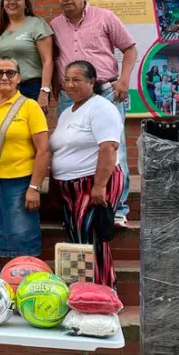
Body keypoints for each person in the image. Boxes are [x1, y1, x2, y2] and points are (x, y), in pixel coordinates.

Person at [50, 0, 136, 226]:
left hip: (106, 91)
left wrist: (124, 79)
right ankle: (74, 205)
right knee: (69, 147)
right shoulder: (55, 25)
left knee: (113, 147)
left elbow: (129, 48)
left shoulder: (105, 17)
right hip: (71, 96)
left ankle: (118, 209)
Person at [50, 61, 125, 288]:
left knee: (93, 241)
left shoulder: (101, 108)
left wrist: (99, 187)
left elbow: (108, 147)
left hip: (94, 184)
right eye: (67, 80)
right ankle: (86, 293)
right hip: (70, 188)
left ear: (92, 82)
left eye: (77, 80)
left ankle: (104, 293)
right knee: (79, 241)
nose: (70, 85)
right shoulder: (67, 112)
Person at [0, 57, 50, 259]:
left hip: (20, 183)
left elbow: (43, 150)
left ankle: (24, 284)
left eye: (10, 73)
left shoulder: (30, 107)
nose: (4, 77)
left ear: (19, 78)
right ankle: (5, 283)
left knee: (22, 239)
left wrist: (34, 188)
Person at [0, 0, 55, 110]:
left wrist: (44, 91)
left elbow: (47, 60)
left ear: (26, 3)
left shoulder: (37, 24)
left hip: (31, 88)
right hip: (6, 88)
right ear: (3, 4)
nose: (12, 2)